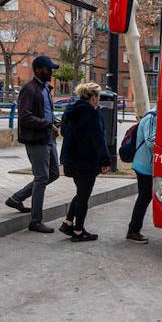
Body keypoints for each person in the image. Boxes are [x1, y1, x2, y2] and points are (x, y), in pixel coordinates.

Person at [6, 55, 60, 232]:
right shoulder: (29, 89)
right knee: (42, 177)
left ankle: (16, 198)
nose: (51, 72)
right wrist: (47, 124)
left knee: (53, 174)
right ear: (38, 70)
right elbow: (25, 117)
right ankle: (35, 221)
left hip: (48, 138)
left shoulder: (45, 89)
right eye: (48, 69)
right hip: (37, 139)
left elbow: (45, 112)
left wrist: (55, 122)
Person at [57, 81, 111, 242]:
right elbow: (98, 139)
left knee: (81, 192)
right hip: (86, 161)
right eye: (98, 96)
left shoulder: (70, 110)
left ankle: (67, 223)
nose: (99, 100)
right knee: (83, 197)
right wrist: (105, 160)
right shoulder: (92, 114)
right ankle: (78, 231)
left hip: (71, 160)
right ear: (93, 98)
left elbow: (64, 131)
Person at [125, 108, 157, 243]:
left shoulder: (154, 116)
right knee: (144, 197)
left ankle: (133, 229)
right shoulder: (152, 117)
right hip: (144, 165)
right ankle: (133, 230)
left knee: (144, 197)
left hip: (146, 164)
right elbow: (150, 141)